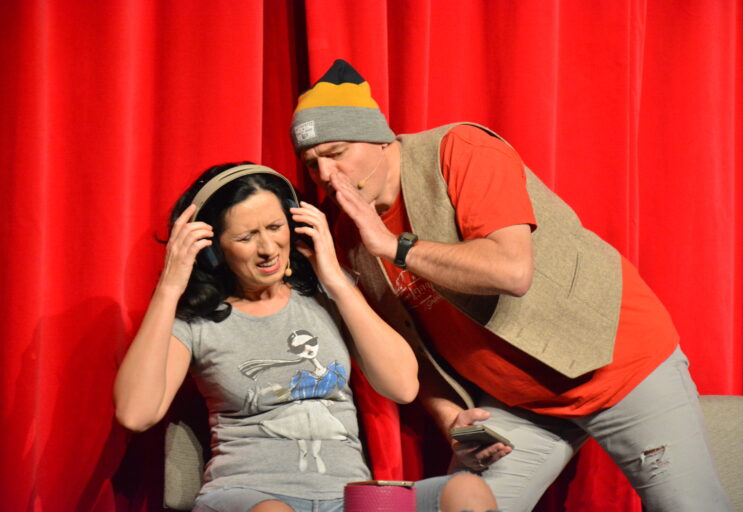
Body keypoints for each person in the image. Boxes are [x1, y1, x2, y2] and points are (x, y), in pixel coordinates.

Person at [289, 59, 733, 512]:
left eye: (337, 152)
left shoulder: (459, 150)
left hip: (619, 365)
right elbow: (411, 349)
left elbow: (511, 271)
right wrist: (451, 419)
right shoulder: (346, 235)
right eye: (312, 162)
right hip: (518, 401)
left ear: (380, 138)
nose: (326, 174)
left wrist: (392, 245)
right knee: (465, 505)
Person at [113, 162, 499, 512]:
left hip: (346, 497)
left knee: (467, 491)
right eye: (246, 237)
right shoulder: (197, 320)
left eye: (275, 227)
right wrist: (170, 287)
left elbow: (402, 385)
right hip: (248, 496)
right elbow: (136, 413)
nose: (268, 249)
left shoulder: (325, 294)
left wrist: (335, 280)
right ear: (214, 250)